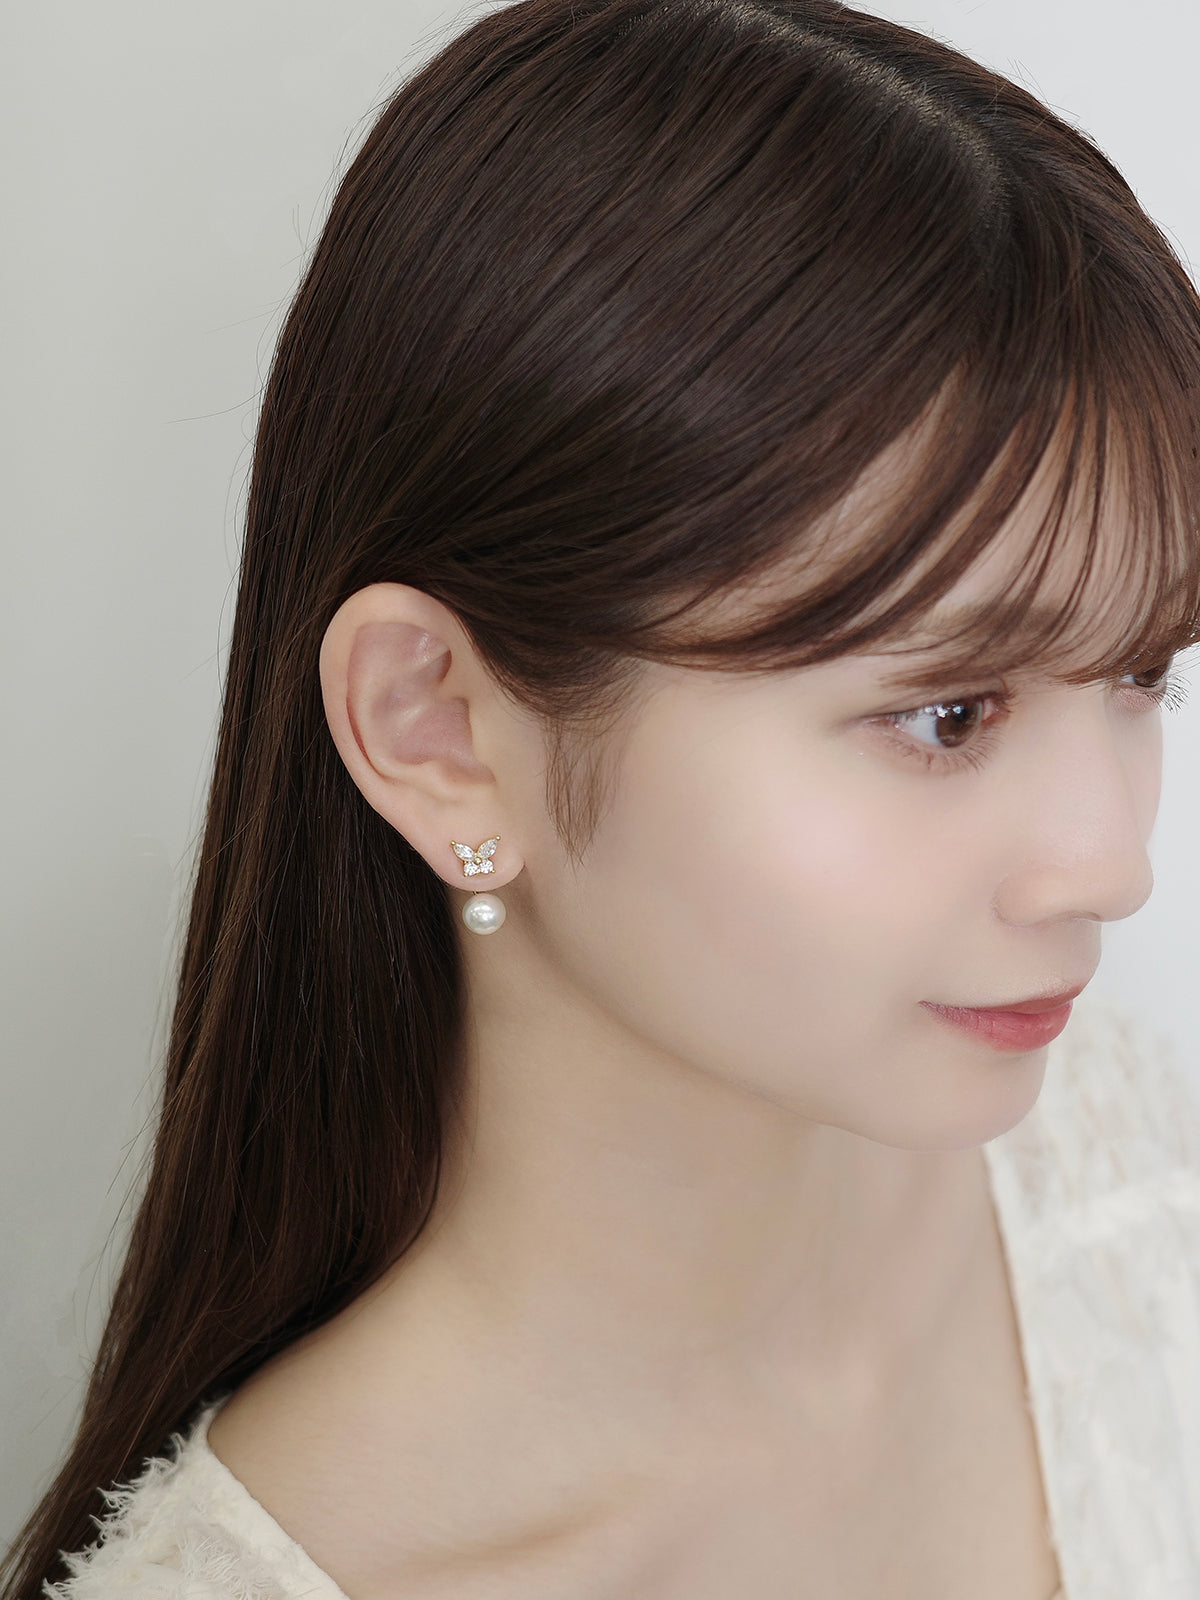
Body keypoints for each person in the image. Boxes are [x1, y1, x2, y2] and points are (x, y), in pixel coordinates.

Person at [6, 0, 1200, 1595]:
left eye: (1143, 674)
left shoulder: (1137, 1188)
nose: (1110, 863)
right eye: (946, 716)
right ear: (440, 730)